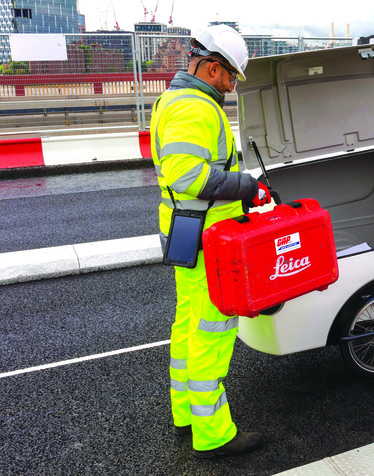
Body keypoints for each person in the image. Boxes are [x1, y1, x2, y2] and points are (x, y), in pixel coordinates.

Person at [149, 24, 270, 459]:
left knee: (187, 325)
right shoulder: (195, 107)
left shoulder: (174, 97)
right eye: (231, 76)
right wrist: (246, 186)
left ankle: (185, 413)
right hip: (208, 240)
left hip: (185, 230)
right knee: (212, 331)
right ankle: (214, 433)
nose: (232, 85)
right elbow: (188, 176)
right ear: (212, 67)